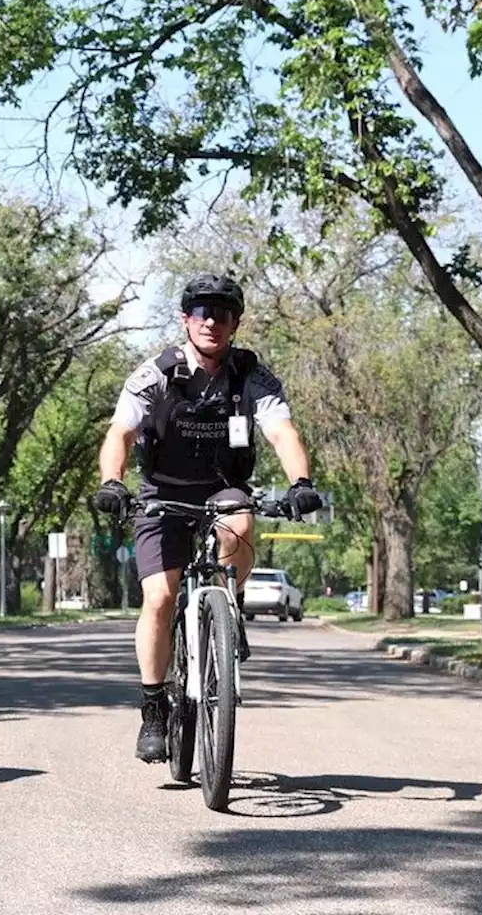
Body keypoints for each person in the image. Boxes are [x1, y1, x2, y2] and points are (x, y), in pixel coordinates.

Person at [92, 273, 323, 763]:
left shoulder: (252, 377)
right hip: (162, 493)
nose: (212, 321)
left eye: (222, 313)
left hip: (224, 488)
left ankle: (227, 607)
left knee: (240, 522)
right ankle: (153, 706)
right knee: (159, 597)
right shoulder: (155, 375)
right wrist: (113, 482)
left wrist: (301, 483)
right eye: (202, 311)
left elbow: (282, 433)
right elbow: (121, 432)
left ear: (236, 322)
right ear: (186, 319)